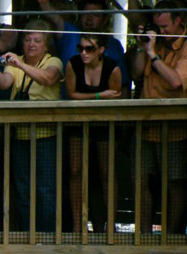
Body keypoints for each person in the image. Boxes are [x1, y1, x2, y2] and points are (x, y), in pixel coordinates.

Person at [0, 20, 63, 233]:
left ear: (46, 45)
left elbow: (48, 78)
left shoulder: (53, 61)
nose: (31, 44)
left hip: (46, 135)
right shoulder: (16, 61)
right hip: (19, 135)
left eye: (37, 40)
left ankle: (46, 239)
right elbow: (4, 83)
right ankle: (28, 238)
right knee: (23, 189)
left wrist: (20, 65)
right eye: (27, 39)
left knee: (45, 190)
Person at [129, 0, 187, 234]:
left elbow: (176, 81)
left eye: (165, 27)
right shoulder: (156, 43)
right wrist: (144, 47)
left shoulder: (185, 46)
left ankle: (171, 237)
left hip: (174, 129)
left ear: (178, 21)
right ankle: (143, 237)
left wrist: (153, 55)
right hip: (146, 126)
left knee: (174, 184)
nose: (161, 32)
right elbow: (135, 72)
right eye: (157, 27)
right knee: (140, 182)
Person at [65, 33, 121, 233]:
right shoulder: (73, 64)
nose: (83, 52)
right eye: (80, 48)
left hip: (104, 124)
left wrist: (96, 98)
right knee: (75, 171)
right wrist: (99, 95)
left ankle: (111, 225)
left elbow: (114, 97)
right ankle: (78, 224)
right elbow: (71, 94)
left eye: (89, 49)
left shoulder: (112, 68)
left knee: (107, 173)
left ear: (101, 50)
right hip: (78, 122)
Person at [38, 0, 131, 97]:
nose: (89, 18)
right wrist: (44, 3)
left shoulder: (114, 46)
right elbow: (54, 18)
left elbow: (123, 86)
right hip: (70, 108)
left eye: (95, 15)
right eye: (85, 13)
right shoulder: (70, 34)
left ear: (105, 19)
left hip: (103, 110)